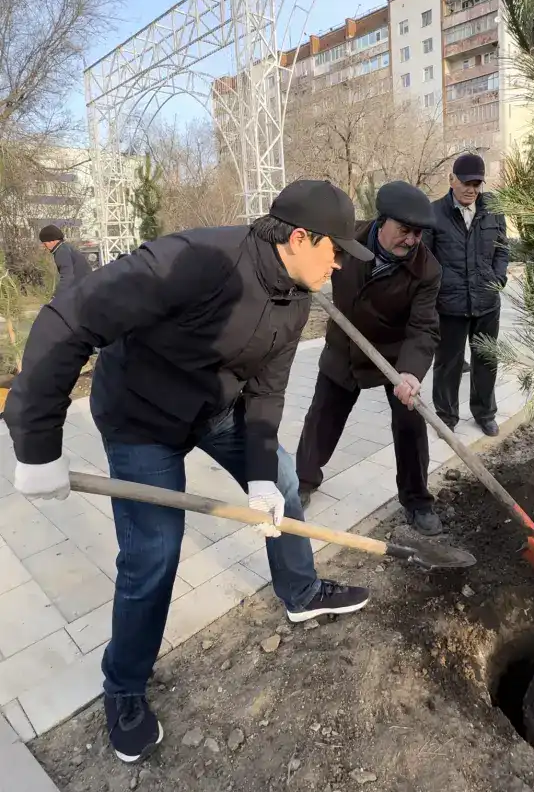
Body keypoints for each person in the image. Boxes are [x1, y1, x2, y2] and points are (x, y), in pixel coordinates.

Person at [5, 180, 372, 764]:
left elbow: (268, 394)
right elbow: (70, 319)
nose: (339, 265)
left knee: (280, 481)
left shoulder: (298, 294)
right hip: (140, 419)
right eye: (335, 251)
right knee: (153, 554)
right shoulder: (198, 260)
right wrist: (37, 442)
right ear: (301, 238)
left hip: (213, 411)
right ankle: (123, 686)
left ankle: (301, 592)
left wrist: (257, 477)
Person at [296, 181, 443, 536]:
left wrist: (410, 373)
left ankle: (417, 500)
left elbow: (424, 327)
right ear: (382, 221)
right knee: (322, 418)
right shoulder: (347, 240)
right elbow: (309, 261)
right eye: (404, 230)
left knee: (410, 424)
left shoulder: (427, 270)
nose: (411, 240)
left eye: (418, 234)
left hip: (394, 358)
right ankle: (302, 482)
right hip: (344, 346)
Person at [426, 153, 508, 437]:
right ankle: (446, 416)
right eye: (465, 182)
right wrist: (439, 287)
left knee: (486, 360)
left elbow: (502, 249)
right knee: (448, 363)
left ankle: (485, 413)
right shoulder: (434, 213)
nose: (471, 189)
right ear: (452, 180)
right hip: (450, 304)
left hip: (487, 302)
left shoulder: (493, 211)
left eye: (476, 183)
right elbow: (425, 258)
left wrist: (498, 278)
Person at [39, 224, 92, 293]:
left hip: (82, 291)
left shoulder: (61, 253)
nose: (44, 246)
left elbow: (67, 277)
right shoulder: (66, 248)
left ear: (52, 240)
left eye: (45, 243)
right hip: (87, 287)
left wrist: (57, 296)